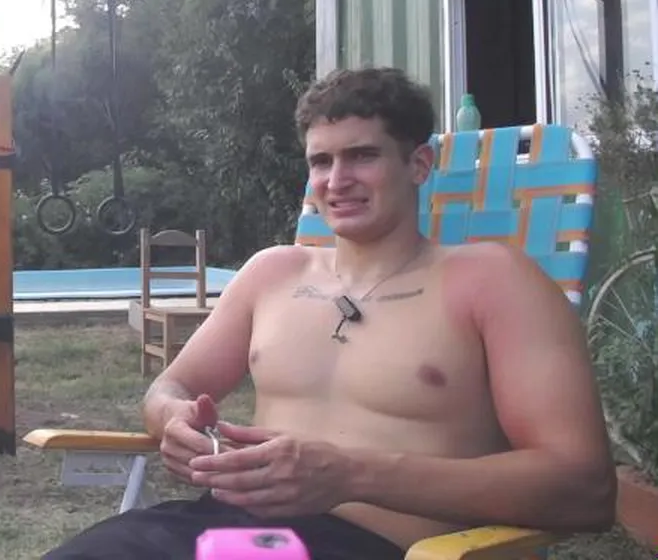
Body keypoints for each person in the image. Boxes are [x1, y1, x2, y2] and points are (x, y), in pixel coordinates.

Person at [42, 67, 617, 560]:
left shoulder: (493, 281)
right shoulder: (272, 273)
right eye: (321, 161)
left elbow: (584, 489)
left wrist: (351, 474)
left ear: (418, 164)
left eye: (362, 156)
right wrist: (172, 419)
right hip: (219, 531)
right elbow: (171, 386)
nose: (337, 181)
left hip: (380, 546)